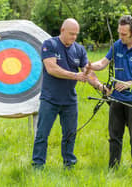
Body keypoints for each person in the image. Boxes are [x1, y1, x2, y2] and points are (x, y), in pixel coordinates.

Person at [32, 18, 109, 169]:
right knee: (42, 134)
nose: (74, 37)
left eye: (76, 34)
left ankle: (69, 165)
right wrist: (75, 76)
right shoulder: (50, 44)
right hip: (50, 99)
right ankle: (38, 165)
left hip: (69, 100)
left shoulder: (79, 49)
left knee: (70, 134)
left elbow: (87, 72)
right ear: (62, 30)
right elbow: (52, 68)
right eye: (71, 34)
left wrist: (100, 87)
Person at [88, 15, 132, 168]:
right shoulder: (117, 45)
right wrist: (89, 65)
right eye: (119, 33)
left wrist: (130, 84)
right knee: (114, 136)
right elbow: (103, 63)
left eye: (124, 34)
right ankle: (113, 167)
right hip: (116, 99)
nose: (120, 37)